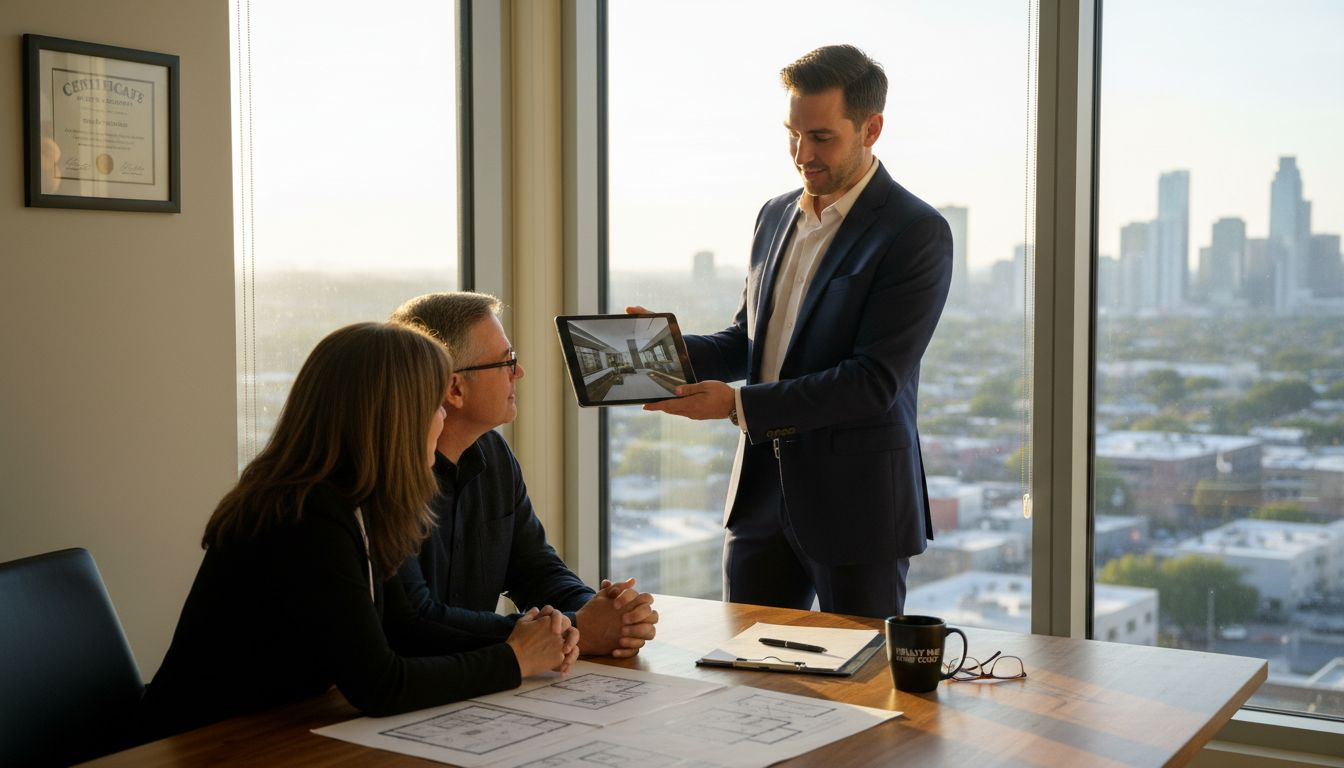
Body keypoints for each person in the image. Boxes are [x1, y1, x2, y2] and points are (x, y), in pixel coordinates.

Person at [138, 322, 578, 741]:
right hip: (198, 742)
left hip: (275, 726)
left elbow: (405, 625)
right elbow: (380, 685)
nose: (443, 418)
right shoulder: (308, 516)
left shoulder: (360, 501)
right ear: (395, 418)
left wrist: (532, 633)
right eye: (435, 405)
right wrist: (516, 657)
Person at [635, 44, 953, 619]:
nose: (802, 154)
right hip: (758, 499)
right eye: (792, 134)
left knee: (863, 696)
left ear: (872, 128)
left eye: (822, 137)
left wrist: (736, 406)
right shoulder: (774, 214)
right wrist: (671, 351)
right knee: (749, 687)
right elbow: (748, 341)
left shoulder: (915, 232)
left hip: (856, 509)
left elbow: (871, 382)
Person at [389, 292, 659, 657]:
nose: (519, 372)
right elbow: (417, 624)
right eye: (506, 362)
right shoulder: (387, 475)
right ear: (455, 387)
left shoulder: (494, 455)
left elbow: (536, 569)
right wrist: (577, 629)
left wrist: (602, 610)